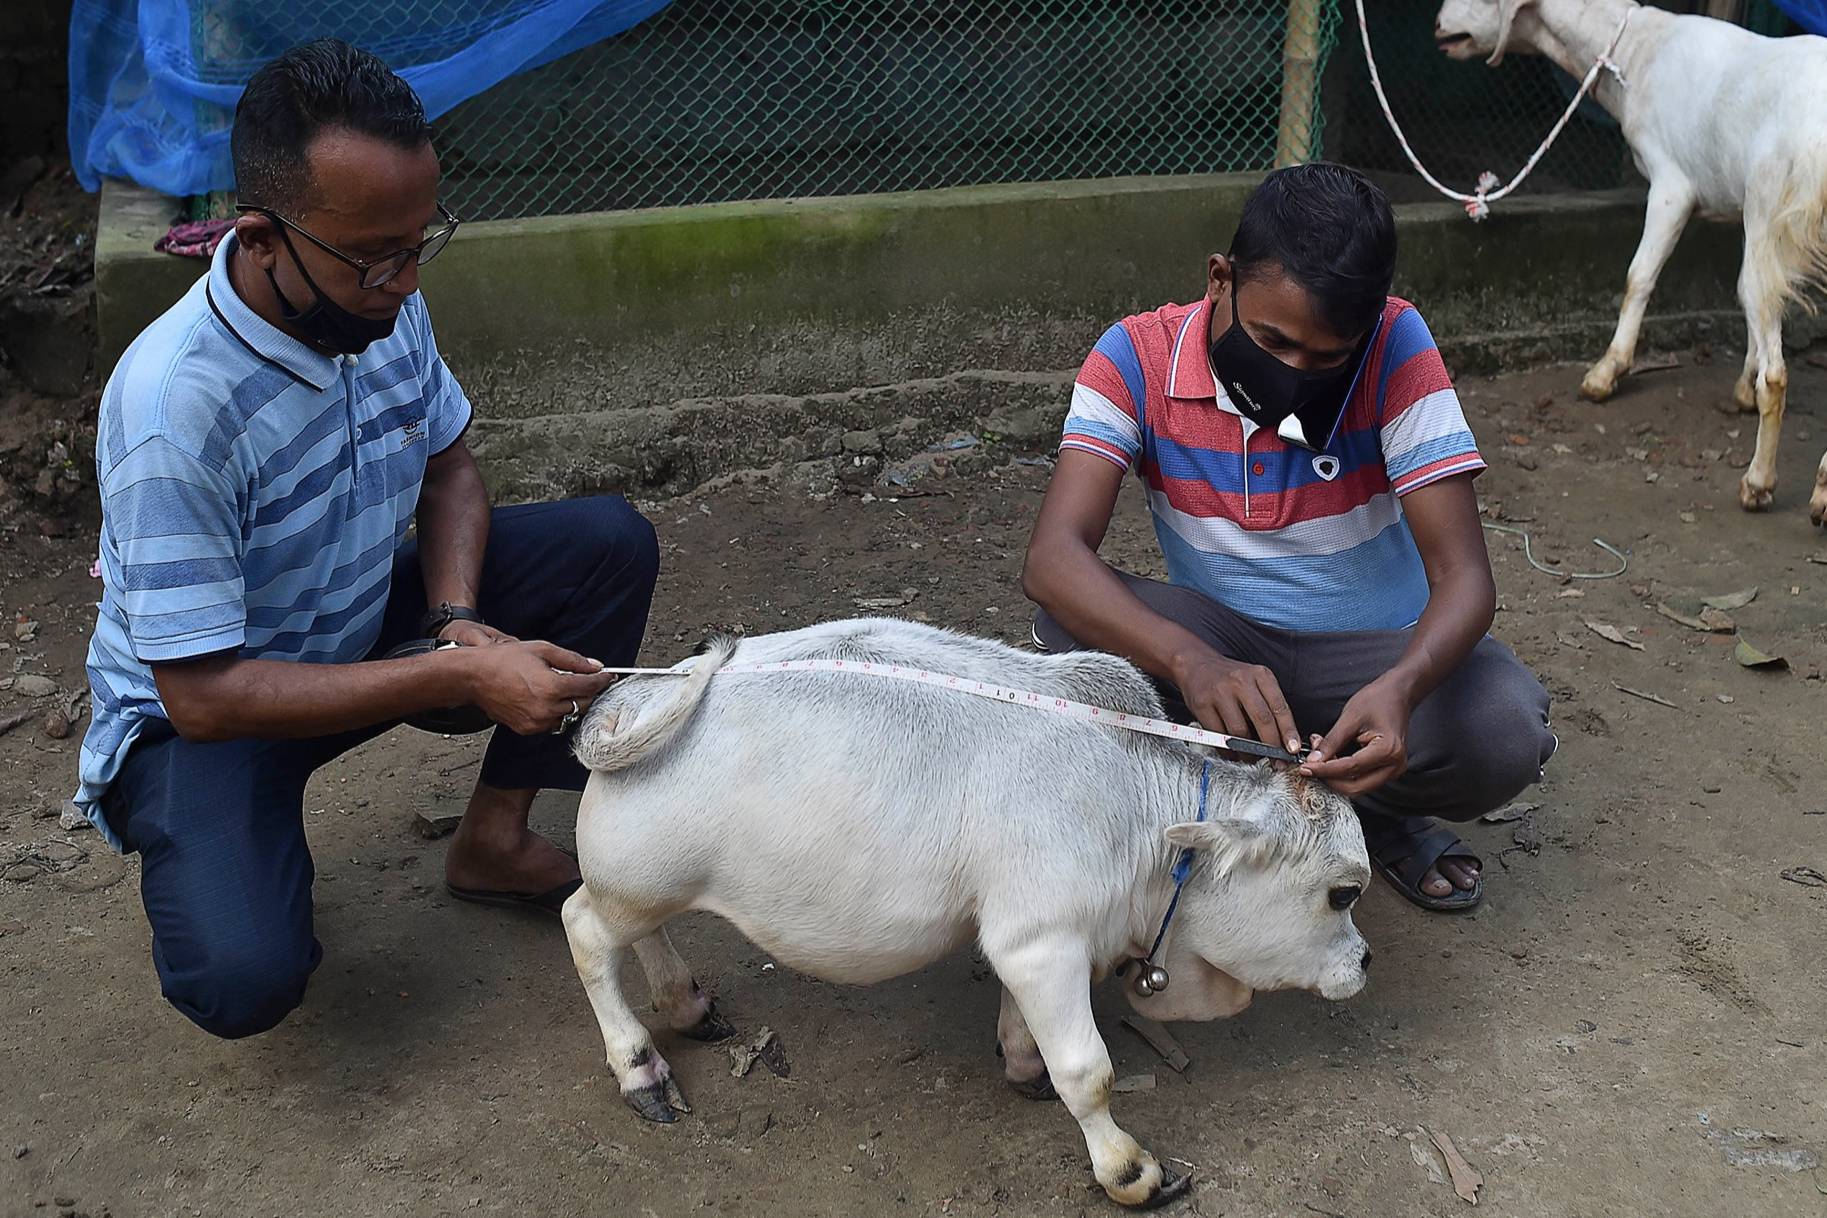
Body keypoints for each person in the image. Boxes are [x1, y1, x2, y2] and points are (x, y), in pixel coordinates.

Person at [73, 39, 660, 1038]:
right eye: (374, 257)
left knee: (607, 542)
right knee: (243, 975)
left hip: (350, 631)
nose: (403, 280)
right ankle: (221, 849)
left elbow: (451, 470)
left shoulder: (379, 300)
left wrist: (458, 619)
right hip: (204, 716)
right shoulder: (177, 406)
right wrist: (454, 675)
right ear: (260, 238)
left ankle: (493, 843)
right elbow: (203, 692)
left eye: (419, 240)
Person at [1021, 162, 1555, 912]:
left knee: (1499, 730)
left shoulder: (1396, 343)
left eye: (1327, 356)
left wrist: (1398, 689)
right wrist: (1191, 660)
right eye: (1272, 339)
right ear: (1219, 279)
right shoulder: (1133, 357)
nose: (1293, 371)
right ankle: (1241, 793)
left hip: (1373, 652)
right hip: (1224, 643)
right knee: (1067, 629)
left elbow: (1465, 578)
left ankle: (1375, 810)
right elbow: (1052, 559)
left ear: (1366, 328)